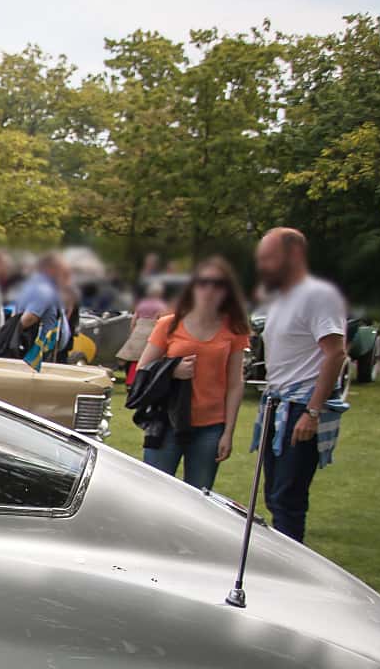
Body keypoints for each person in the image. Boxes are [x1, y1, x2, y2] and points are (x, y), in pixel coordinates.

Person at [252, 227, 348, 544]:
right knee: (273, 494)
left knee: (288, 499)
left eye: (269, 257)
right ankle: (277, 556)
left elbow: (336, 353)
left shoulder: (319, 296)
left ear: (293, 255)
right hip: (276, 405)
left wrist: (313, 411)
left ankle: (287, 569)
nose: (263, 264)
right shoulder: (279, 299)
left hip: (299, 407)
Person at [131, 256, 252, 489]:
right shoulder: (169, 324)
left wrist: (228, 432)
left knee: (198, 499)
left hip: (210, 427)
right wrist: (172, 371)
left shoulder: (234, 329)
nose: (210, 289)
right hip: (166, 422)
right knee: (154, 493)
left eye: (218, 284)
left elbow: (235, 383)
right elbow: (143, 370)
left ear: (227, 290)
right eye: (203, 282)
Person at [7, 253, 66, 370]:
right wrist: (14, 332)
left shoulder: (33, 286)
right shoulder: (43, 290)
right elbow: (30, 318)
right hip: (35, 353)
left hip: (34, 349)